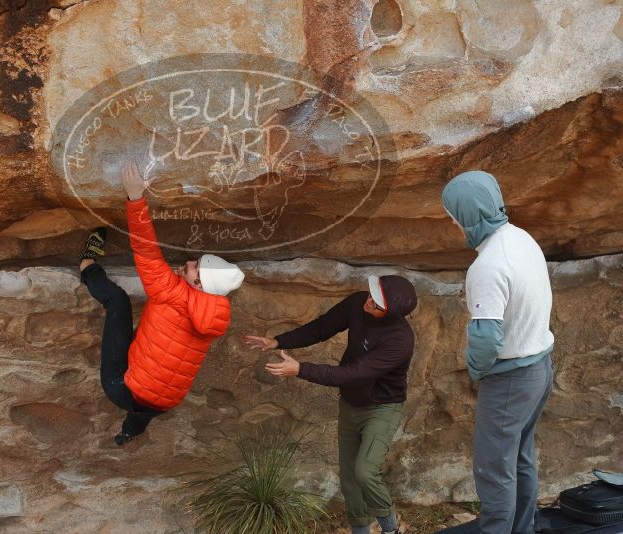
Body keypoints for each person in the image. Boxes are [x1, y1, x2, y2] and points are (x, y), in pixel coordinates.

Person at [79, 160, 244, 445]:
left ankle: (87, 266)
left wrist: (135, 198)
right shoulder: (215, 312)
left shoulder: (170, 291)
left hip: (122, 388)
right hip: (165, 403)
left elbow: (146, 251)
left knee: (118, 302)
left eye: (195, 268)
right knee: (150, 367)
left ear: (200, 284)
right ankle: (129, 432)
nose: (189, 262)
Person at [245, 274, 417, 534]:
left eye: (377, 303)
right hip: (350, 403)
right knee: (349, 480)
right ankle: (360, 530)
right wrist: (278, 341)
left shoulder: (400, 341)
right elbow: (321, 328)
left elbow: (352, 373)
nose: (368, 301)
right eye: (372, 294)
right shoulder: (359, 303)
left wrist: (300, 369)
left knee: (365, 471)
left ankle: (390, 527)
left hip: (381, 408)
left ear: (390, 313)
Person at [442, 170, 554, 534]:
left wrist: (476, 370)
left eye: (453, 216)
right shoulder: (521, 238)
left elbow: (487, 338)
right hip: (539, 368)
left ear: (465, 215)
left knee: (493, 471)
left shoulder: (487, 265)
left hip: (510, 379)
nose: (454, 223)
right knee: (520, 460)